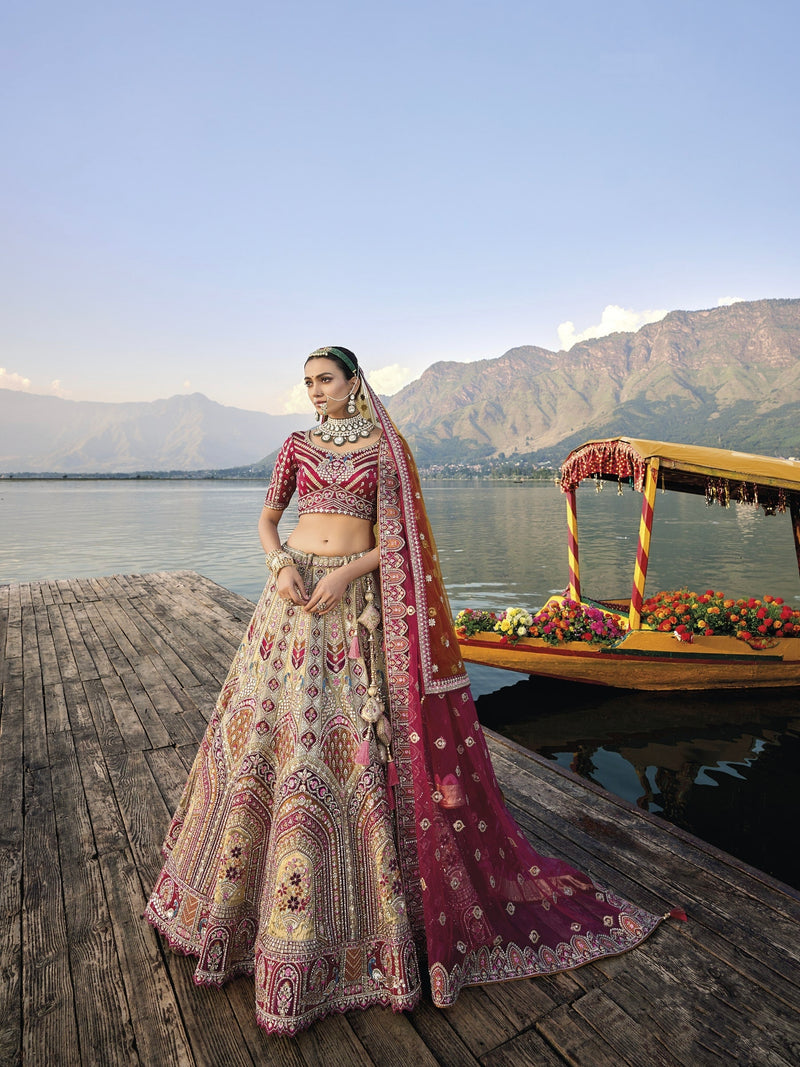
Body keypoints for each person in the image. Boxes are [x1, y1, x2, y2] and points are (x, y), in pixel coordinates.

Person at [144, 346, 681, 1035]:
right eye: (307, 382)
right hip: (292, 597)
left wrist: (346, 572)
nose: (315, 392)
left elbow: (398, 541)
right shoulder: (295, 444)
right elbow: (268, 517)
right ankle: (248, 913)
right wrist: (281, 565)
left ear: (353, 381)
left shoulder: (387, 448)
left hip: (353, 602)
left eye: (326, 380)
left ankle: (370, 916)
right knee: (271, 739)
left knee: (356, 745)